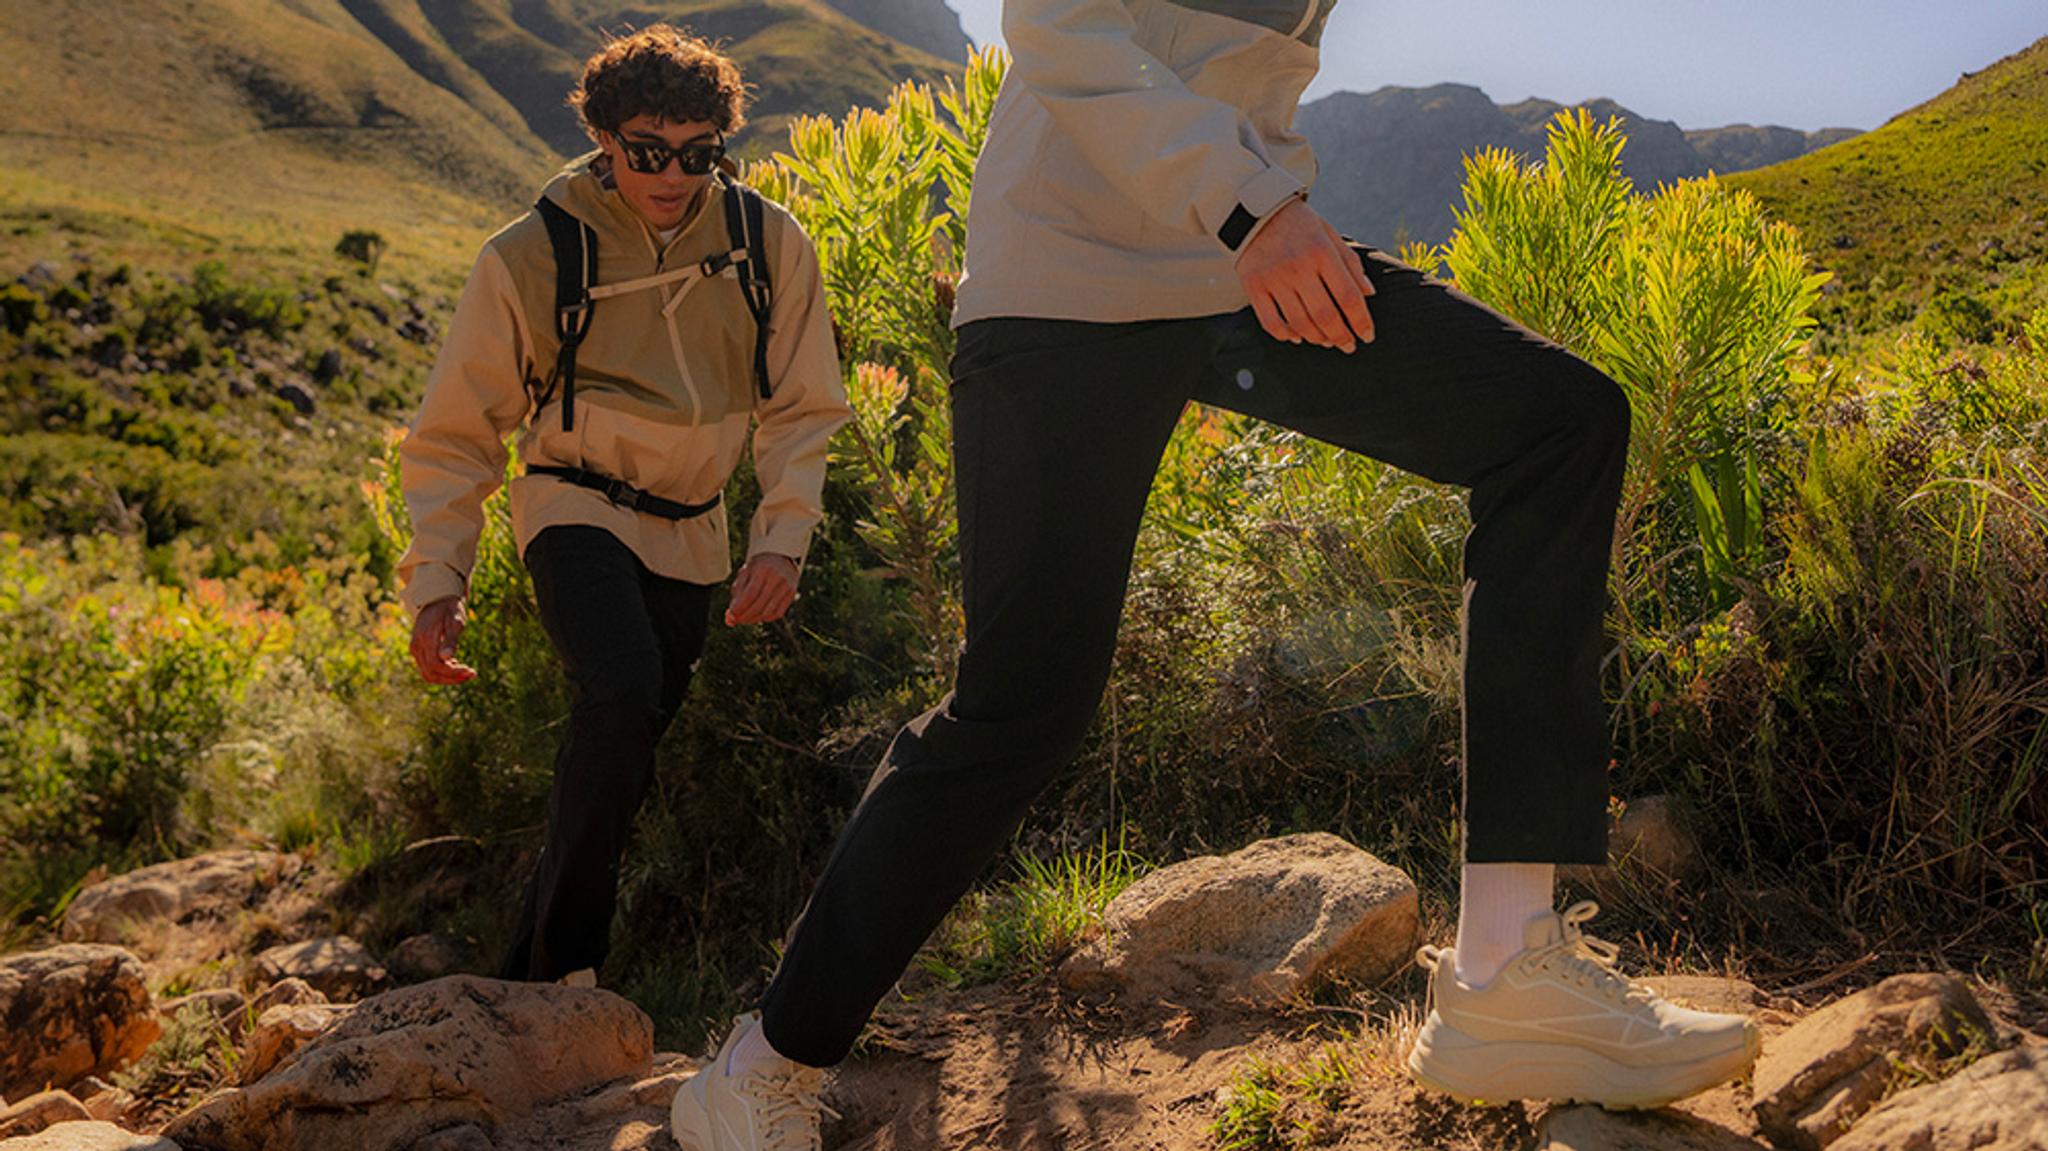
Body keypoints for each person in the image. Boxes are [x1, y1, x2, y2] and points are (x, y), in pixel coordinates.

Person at [669, 1, 1760, 1147]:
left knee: (1556, 422)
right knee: (1019, 706)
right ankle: (761, 1066)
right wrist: (1251, 209)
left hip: (1234, 265)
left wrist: (1250, 218)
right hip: (1068, 285)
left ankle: (1504, 969)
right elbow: (1052, 23)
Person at [397, 26, 850, 990]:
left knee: (628, 748)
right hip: (574, 504)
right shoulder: (529, 254)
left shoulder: (770, 244)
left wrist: (782, 541)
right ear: (604, 139)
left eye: (697, 154)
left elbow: (803, 409)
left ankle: (526, 976)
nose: (672, 174)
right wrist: (438, 578)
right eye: (648, 151)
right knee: (621, 691)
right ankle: (573, 972)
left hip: (693, 530)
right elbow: (456, 432)